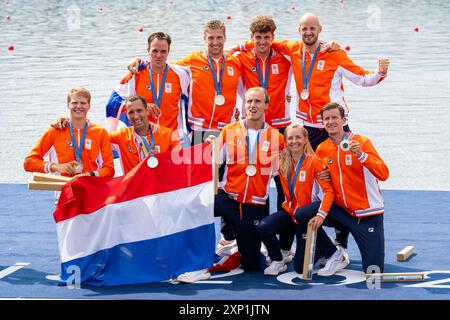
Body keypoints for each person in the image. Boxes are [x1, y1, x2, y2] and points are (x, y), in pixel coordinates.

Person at [176, 87, 284, 283]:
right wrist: (208, 147)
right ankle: (199, 263)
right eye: (249, 101)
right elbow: (213, 162)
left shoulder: (277, 138)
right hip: (228, 197)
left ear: (266, 106)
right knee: (194, 208)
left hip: (254, 205)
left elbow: (289, 168)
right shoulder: (229, 131)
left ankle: (253, 250)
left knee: (251, 266)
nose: (252, 105)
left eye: (258, 102)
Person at [257, 123, 347, 276]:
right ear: (285, 141)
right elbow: (257, 165)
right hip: (290, 212)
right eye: (290, 138)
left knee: (300, 268)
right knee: (263, 227)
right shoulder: (281, 161)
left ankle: (334, 254)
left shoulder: (314, 161)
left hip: (306, 217)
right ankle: (277, 260)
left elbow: (328, 192)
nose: (294, 141)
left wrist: (321, 214)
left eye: (298, 137)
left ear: (305, 139)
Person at [311, 102, 389, 275]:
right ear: (322, 122)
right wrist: (321, 176)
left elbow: (384, 174)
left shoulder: (361, 141)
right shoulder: (322, 149)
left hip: (366, 214)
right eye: (326, 119)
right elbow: (321, 180)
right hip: (340, 211)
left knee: (373, 272)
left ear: (344, 119)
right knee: (304, 213)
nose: (330, 122)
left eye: (334, 117)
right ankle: (334, 252)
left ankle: (344, 244)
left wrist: (362, 155)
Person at [53, 95, 181, 175]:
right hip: (134, 194)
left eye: (139, 111)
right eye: (131, 112)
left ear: (147, 111)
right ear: (126, 115)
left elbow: (178, 166)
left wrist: (161, 160)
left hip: (160, 191)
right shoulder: (121, 136)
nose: (136, 116)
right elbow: (93, 133)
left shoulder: (167, 134)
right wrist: (71, 121)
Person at [106, 32, 190, 146]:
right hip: (143, 140)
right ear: (148, 51)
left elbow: (194, 101)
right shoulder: (136, 75)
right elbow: (113, 103)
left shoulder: (181, 75)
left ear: (169, 52)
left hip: (172, 140)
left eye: (163, 51)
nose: (159, 55)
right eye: (155, 51)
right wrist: (141, 106)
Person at [24, 86, 115, 178]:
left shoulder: (100, 132)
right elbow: (29, 162)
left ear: (89, 106)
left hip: (91, 189)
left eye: (83, 103)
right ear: (68, 105)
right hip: (63, 189)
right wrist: (55, 167)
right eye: (74, 103)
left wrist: (90, 175)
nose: (79, 106)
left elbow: (109, 169)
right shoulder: (55, 131)